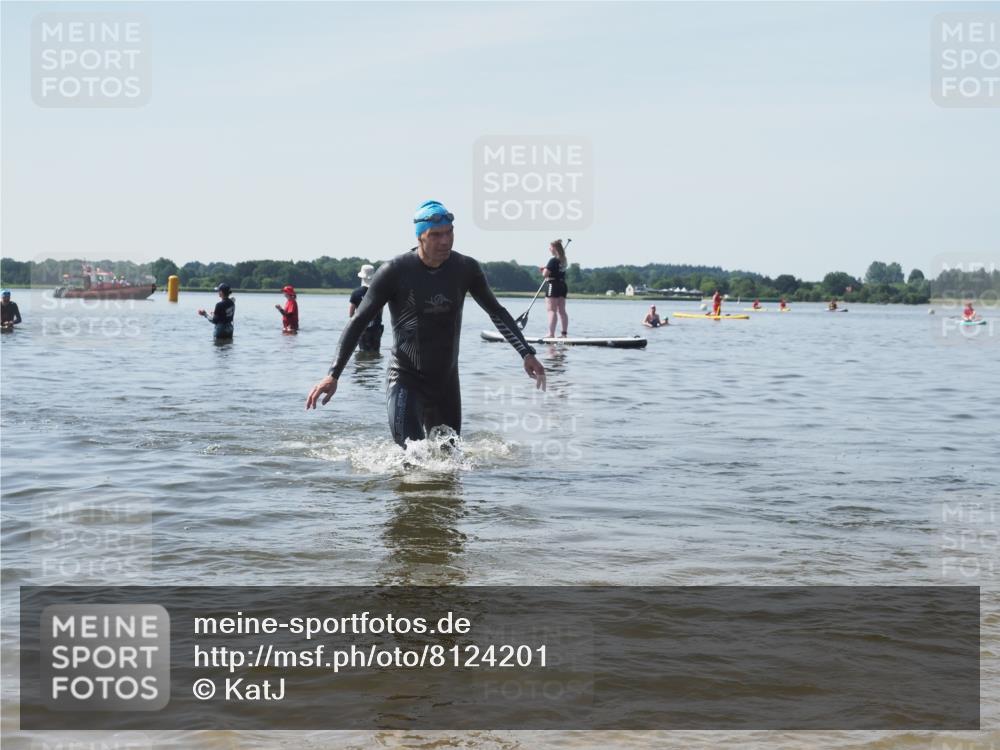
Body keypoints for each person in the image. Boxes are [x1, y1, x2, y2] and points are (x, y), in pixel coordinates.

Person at [306, 200, 546, 448]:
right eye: (436, 235)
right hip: (405, 380)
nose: (445, 241)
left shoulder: (465, 269)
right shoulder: (395, 271)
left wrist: (526, 353)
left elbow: (496, 312)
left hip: (446, 384)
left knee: (450, 462)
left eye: (449, 232)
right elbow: (358, 322)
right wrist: (333, 375)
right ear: (420, 237)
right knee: (414, 458)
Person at [349, 264, 384, 351]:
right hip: (376, 328)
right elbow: (381, 310)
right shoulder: (379, 292)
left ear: (362, 277)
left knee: (363, 353)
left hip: (361, 329)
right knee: (375, 352)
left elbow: (351, 313)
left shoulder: (356, 293)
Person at [541, 239, 569, 337]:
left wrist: (543, 270)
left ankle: (551, 334)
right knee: (562, 310)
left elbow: (545, 274)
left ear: (555, 248)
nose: (549, 249)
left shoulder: (553, 260)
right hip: (562, 285)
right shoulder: (564, 260)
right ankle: (564, 334)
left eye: (550, 247)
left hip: (553, 285)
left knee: (551, 310)